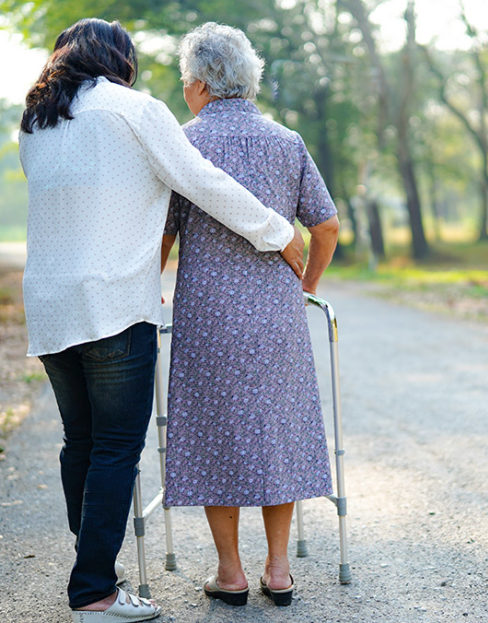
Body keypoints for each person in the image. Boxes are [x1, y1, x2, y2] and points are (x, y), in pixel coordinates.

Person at [19, 18, 304, 623]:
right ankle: (94, 590)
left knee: (82, 443)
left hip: (49, 304)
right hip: (115, 303)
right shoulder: (134, 109)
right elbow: (201, 182)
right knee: (117, 449)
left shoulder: (36, 120)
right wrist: (278, 231)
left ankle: (94, 569)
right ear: (119, 60)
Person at [160, 22, 340, 607]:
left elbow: (161, 235)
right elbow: (327, 225)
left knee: (217, 433)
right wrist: (306, 285)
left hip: (207, 316)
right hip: (276, 317)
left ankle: (231, 572)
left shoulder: (182, 144)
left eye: (187, 79)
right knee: (277, 431)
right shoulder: (287, 142)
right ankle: (280, 569)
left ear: (203, 85)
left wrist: (151, 287)